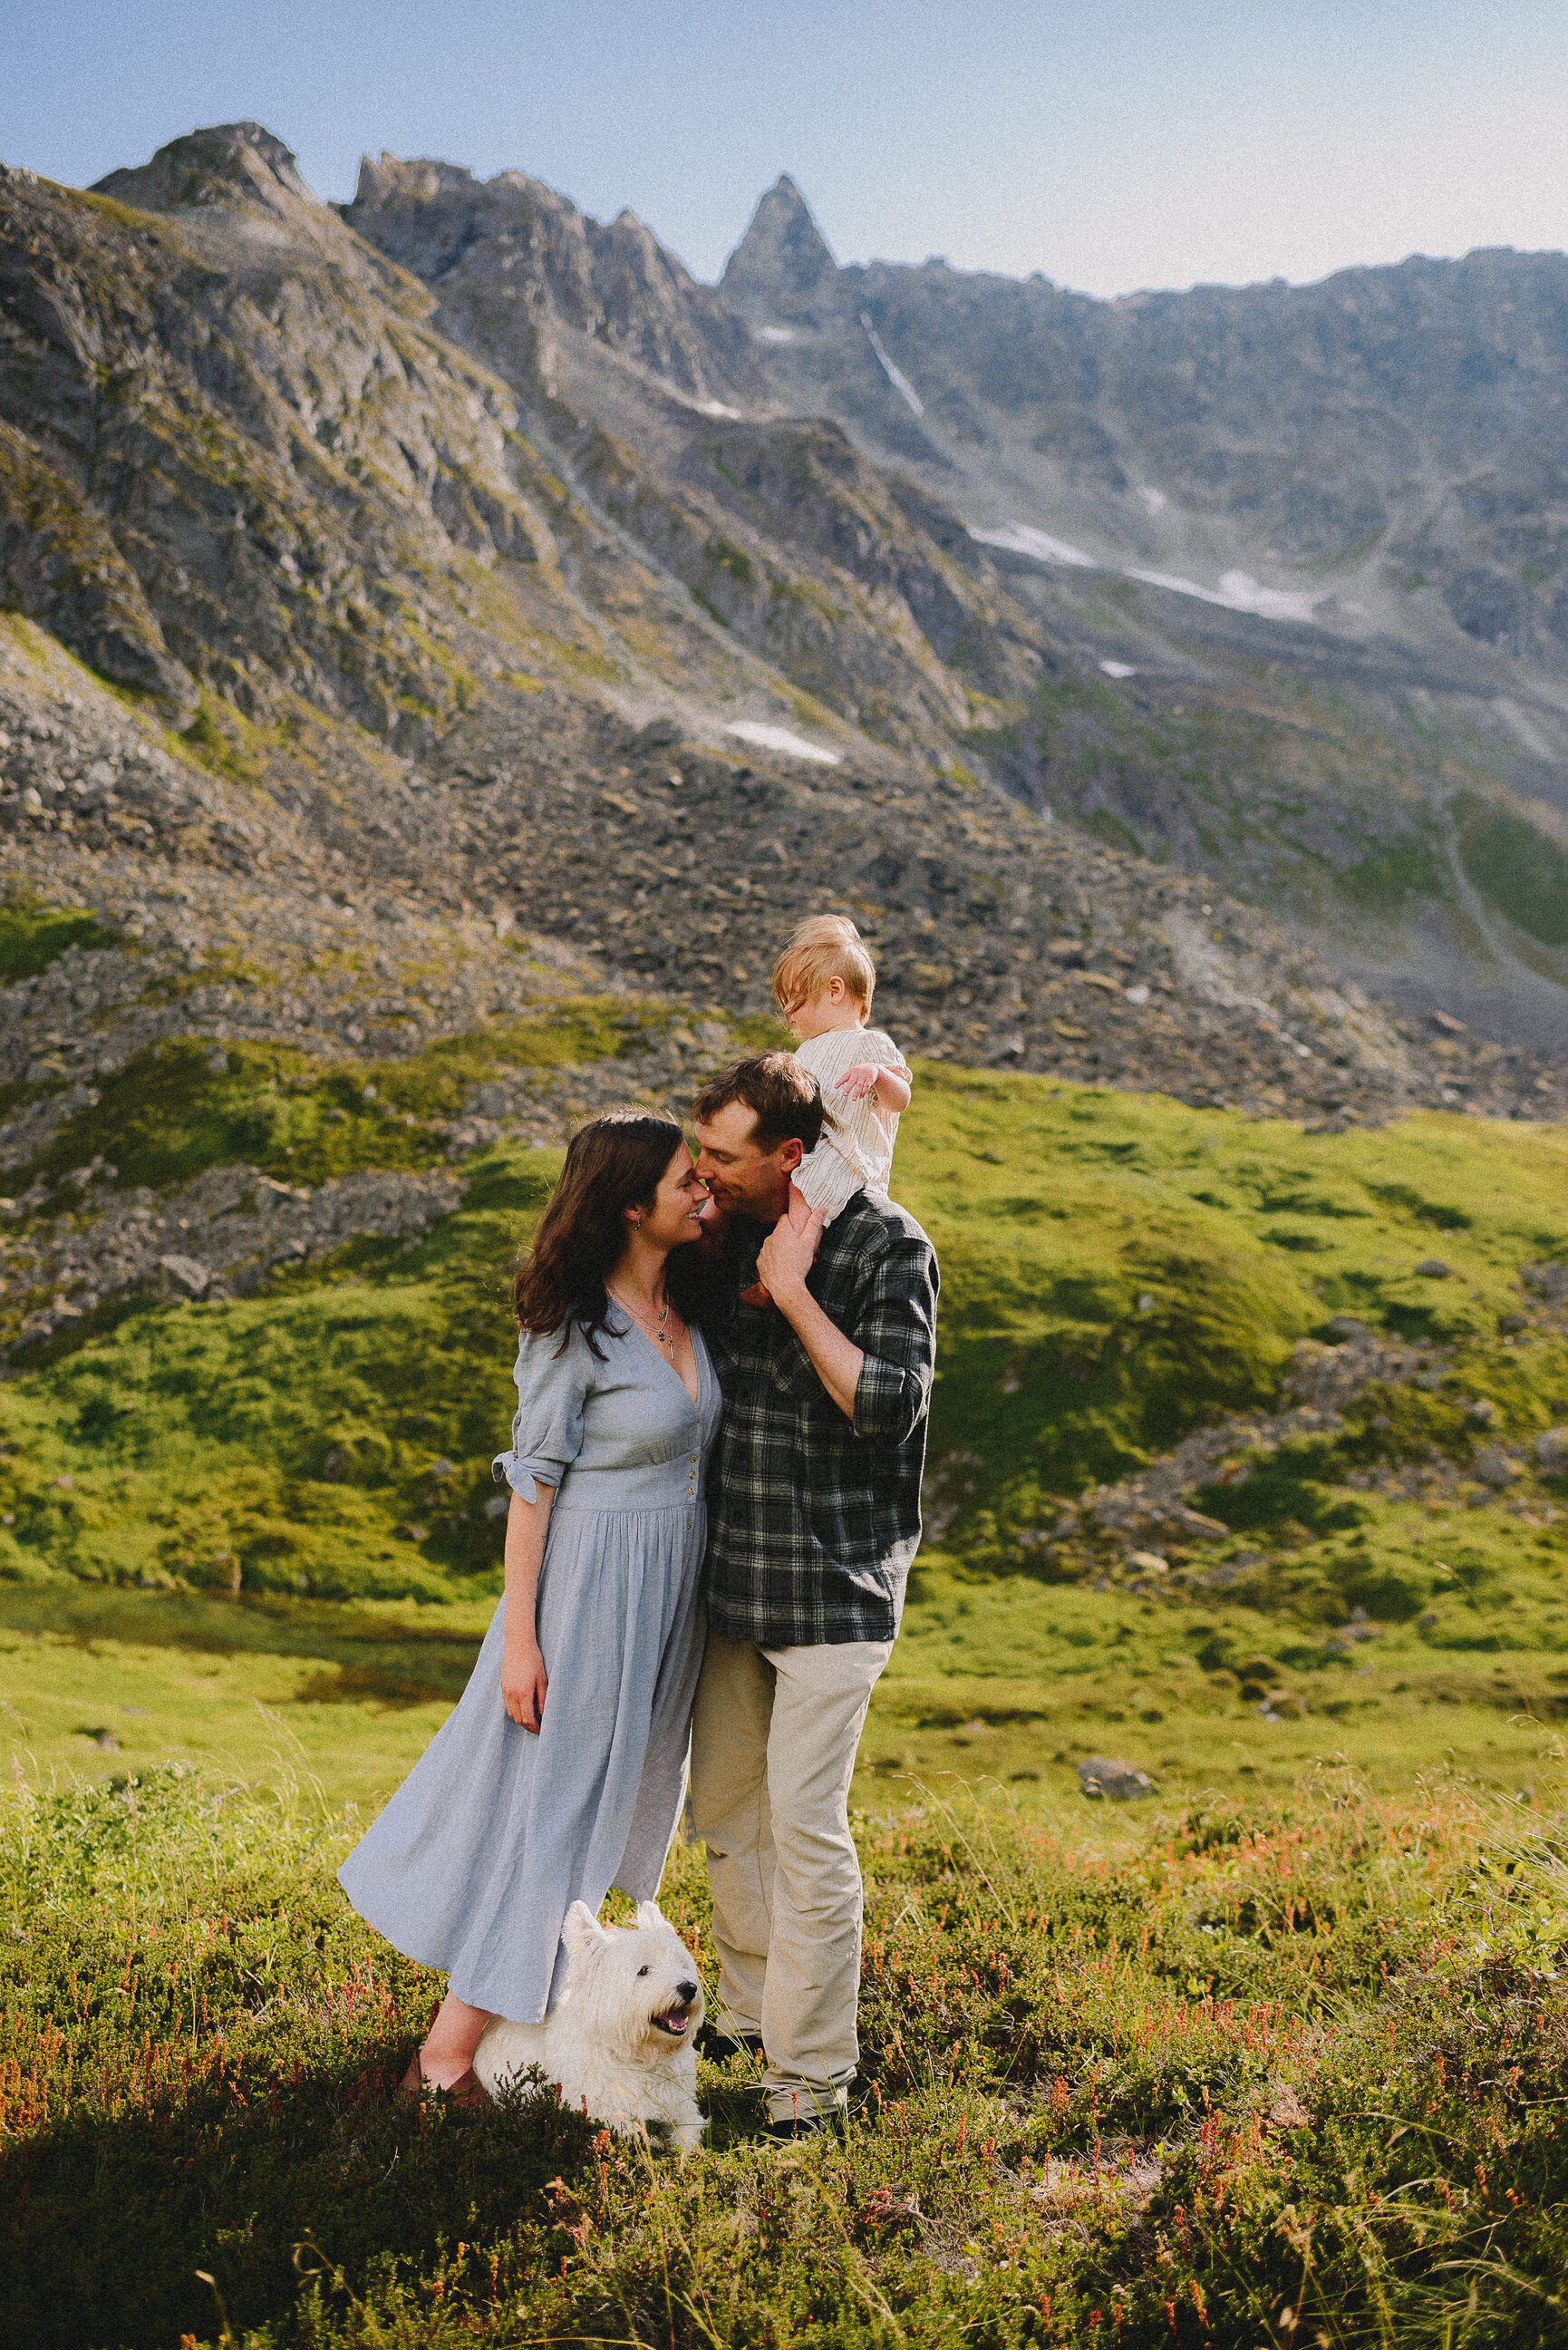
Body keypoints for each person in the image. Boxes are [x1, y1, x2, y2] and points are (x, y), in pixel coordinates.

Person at [337, 1112, 720, 2103]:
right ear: (631, 1205)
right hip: (588, 1596)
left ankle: (554, 2036)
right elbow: (533, 1487)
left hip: (664, 1600)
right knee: (554, 1822)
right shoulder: (573, 1326)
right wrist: (521, 1641)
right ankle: (447, 2054)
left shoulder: (685, 1299)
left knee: (608, 1812)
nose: (703, 1192)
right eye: (686, 1180)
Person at [688, 1051, 938, 2137]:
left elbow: (888, 1406)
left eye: (722, 1158)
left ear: (790, 1155)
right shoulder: (717, 1231)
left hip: (834, 1585)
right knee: (729, 1817)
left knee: (804, 1825)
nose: (704, 1175)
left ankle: (810, 2080)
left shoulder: (889, 1243)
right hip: (733, 1579)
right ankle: (744, 2019)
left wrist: (790, 1296)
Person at [775, 913, 913, 1227]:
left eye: (795, 999)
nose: (786, 1011)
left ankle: (793, 1259)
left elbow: (900, 1100)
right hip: (807, 1157)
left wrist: (878, 1073)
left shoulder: (869, 1044)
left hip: (844, 1166)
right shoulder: (806, 1049)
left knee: (799, 1206)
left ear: (834, 991)